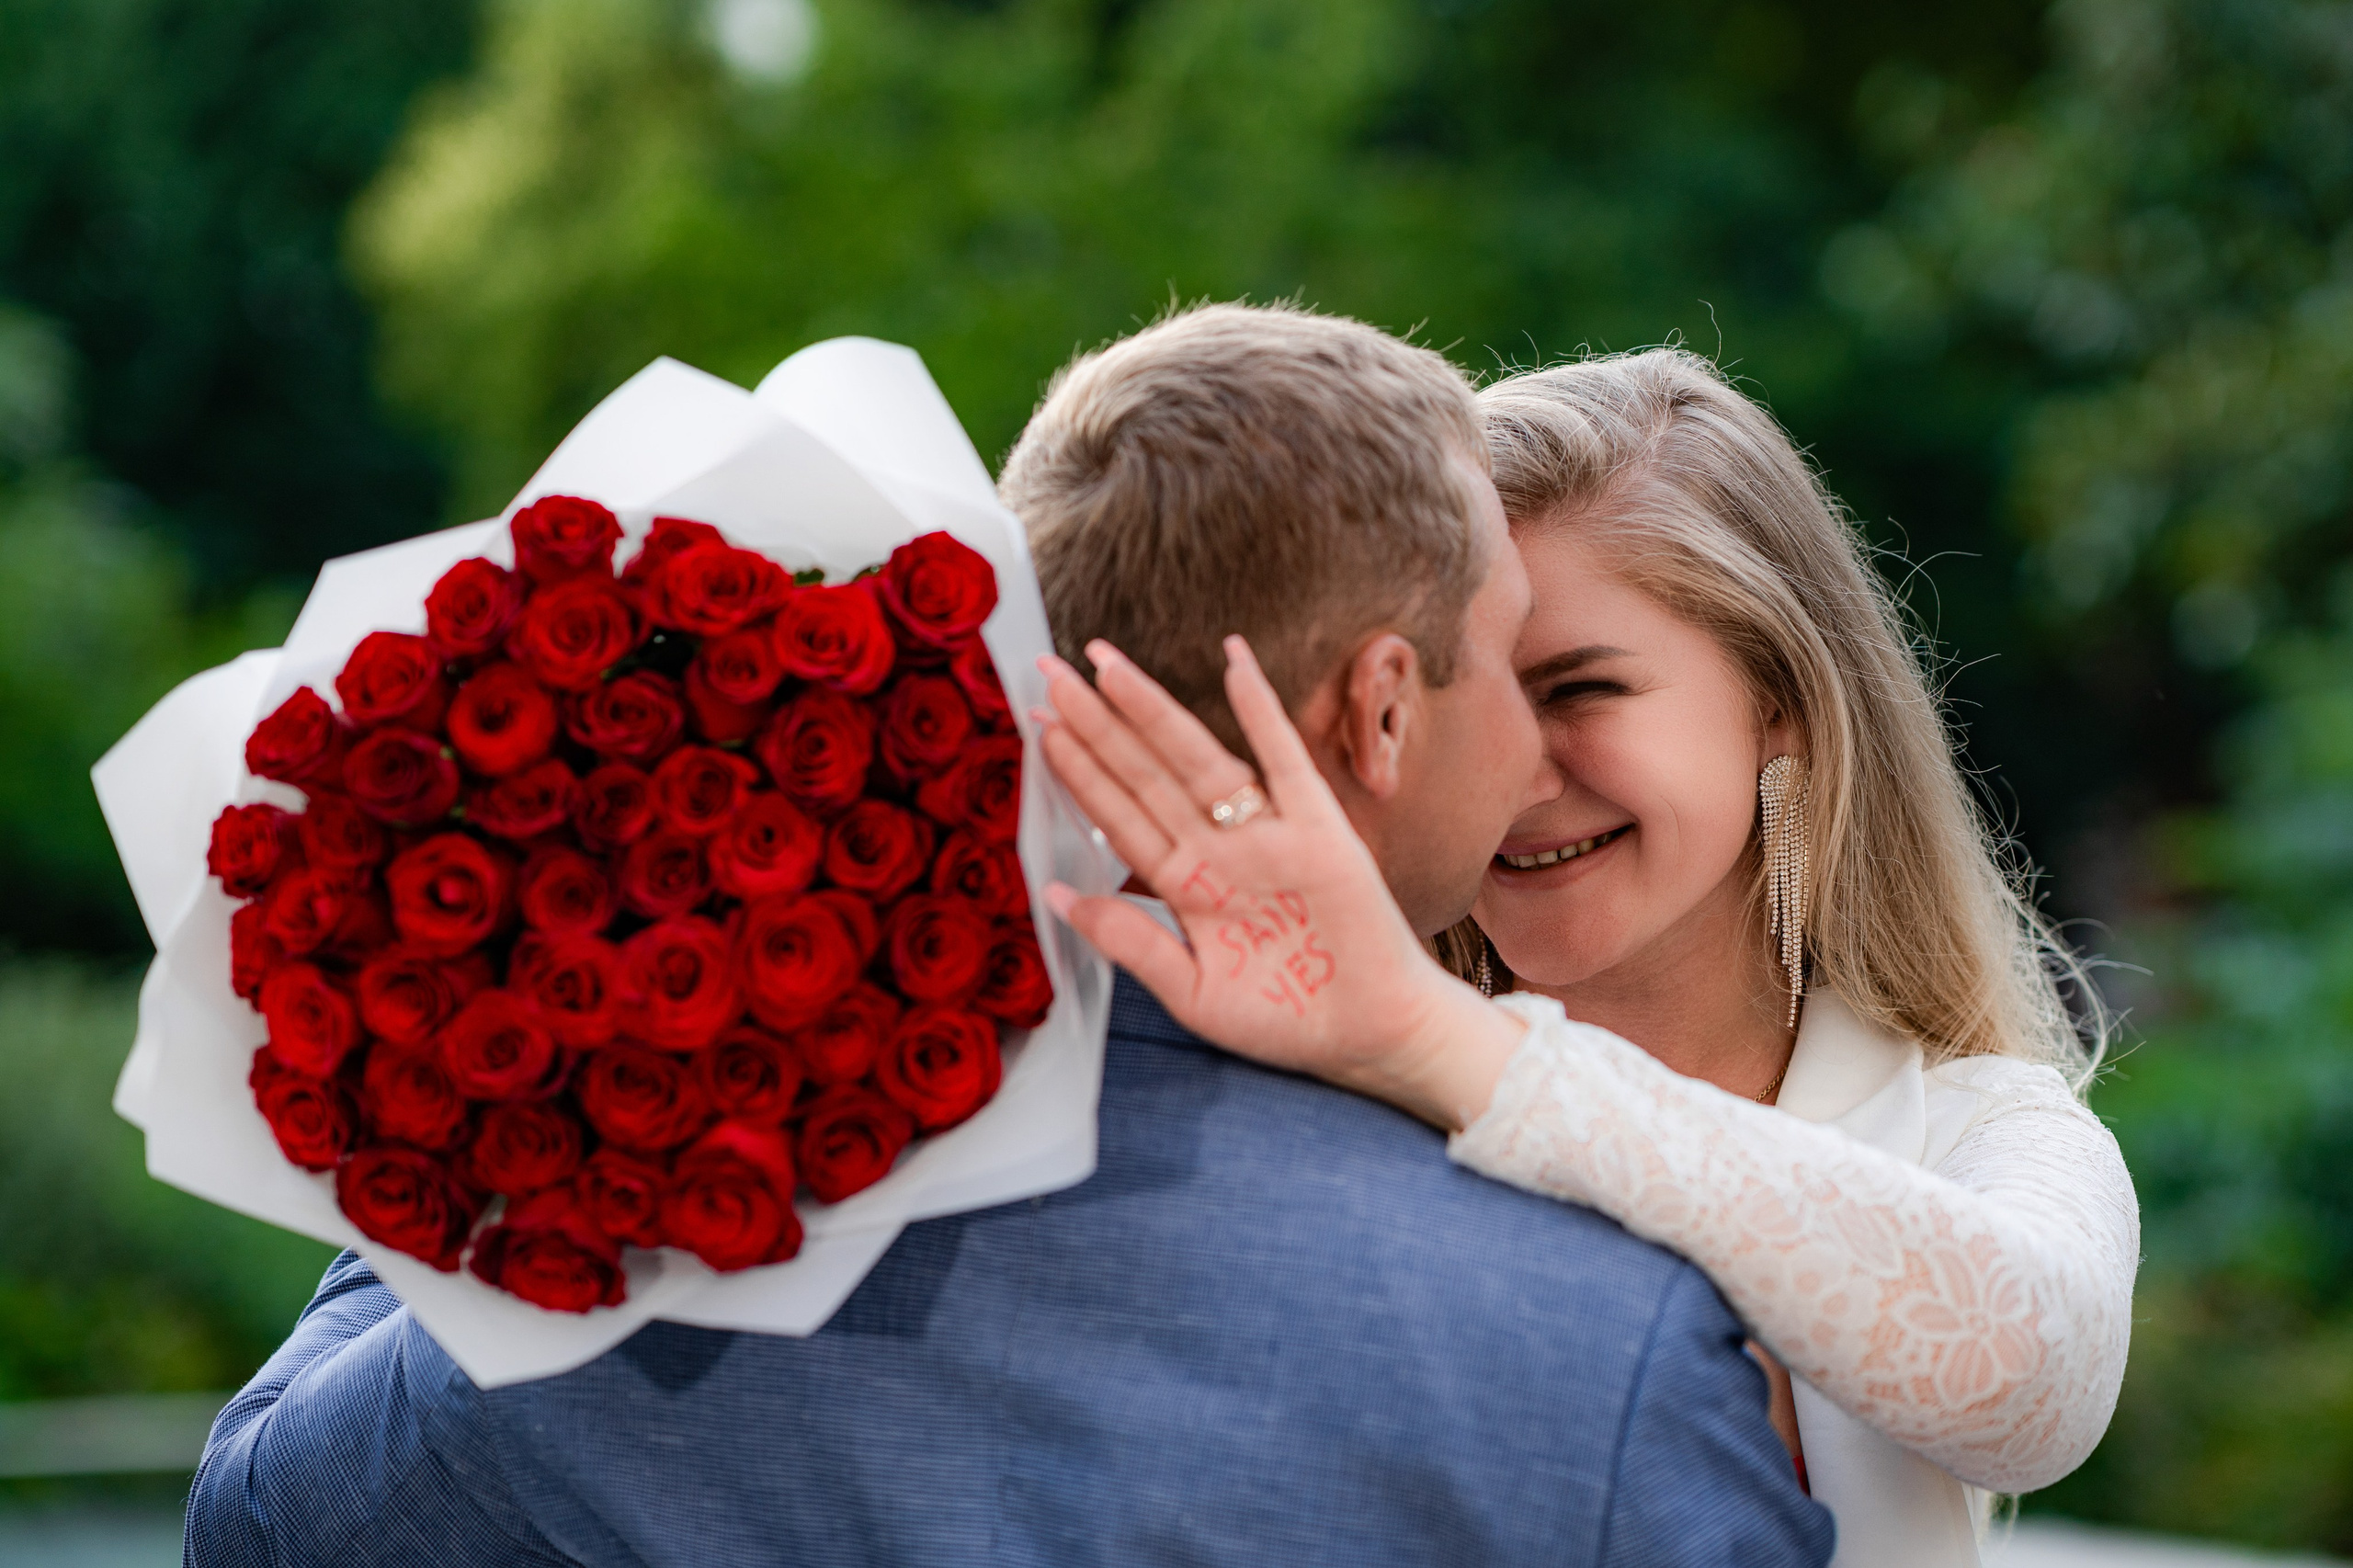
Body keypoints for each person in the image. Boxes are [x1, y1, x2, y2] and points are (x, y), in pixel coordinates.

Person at [181, 309, 1832, 1568]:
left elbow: (259, 1527)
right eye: (1508, 659)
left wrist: (515, 1019)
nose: (1535, 751)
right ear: (1384, 710)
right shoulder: (1599, 1347)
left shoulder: (653, 1234)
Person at [1036, 347, 2140, 1568]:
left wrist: (1441, 1041)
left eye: (1579, 689)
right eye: (1470, 688)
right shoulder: (1300, 1090)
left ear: (1782, 696)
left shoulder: (1981, 1125)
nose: (1513, 766)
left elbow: (2034, 1380)